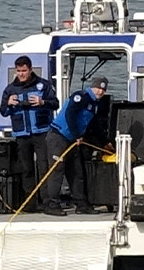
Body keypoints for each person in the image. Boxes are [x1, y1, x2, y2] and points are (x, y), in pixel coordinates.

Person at [0, 56, 61, 213]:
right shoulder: (10, 89)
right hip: (22, 134)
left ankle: (47, 202)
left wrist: (42, 102)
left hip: (41, 133)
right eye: (18, 71)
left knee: (44, 167)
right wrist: (8, 103)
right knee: (26, 169)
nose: (21, 74)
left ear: (30, 69)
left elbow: (56, 104)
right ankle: (30, 203)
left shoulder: (43, 85)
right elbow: (3, 112)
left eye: (24, 71)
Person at [45, 76, 109, 213]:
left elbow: (94, 124)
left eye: (103, 90)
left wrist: (105, 142)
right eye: (98, 88)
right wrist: (77, 135)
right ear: (92, 87)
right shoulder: (81, 97)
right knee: (57, 171)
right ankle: (52, 205)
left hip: (72, 140)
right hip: (58, 136)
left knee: (76, 171)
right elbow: (70, 115)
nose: (100, 92)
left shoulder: (95, 104)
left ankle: (81, 205)